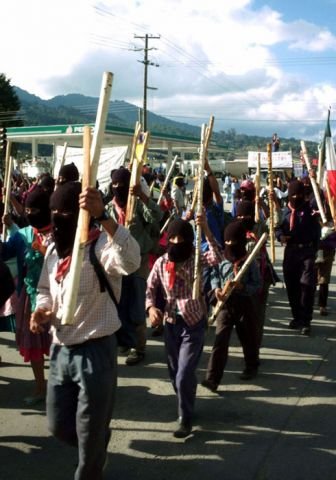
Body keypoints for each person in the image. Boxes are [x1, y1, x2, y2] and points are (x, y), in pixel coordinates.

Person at [30, 181, 141, 480]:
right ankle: (96, 445)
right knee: (58, 425)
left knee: (89, 442)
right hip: (60, 349)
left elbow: (131, 261)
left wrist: (104, 216)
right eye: (53, 211)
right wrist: (41, 310)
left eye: (64, 212)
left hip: (96, 350)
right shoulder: (54, 249)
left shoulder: (102, 246)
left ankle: (91, 463)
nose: (57, 217)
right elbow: (44, 288)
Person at [146, 216, 223, 438]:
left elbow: (218, 256)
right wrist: (151, 308)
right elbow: (150, 287)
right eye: (172, 238)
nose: (176, 242)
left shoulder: (196, 259)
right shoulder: (162, 263)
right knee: (174, 373)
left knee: (184, 372)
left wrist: (207, 229)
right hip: (171, 323)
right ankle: (186, 396)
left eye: (182, 239)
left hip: (193, 323)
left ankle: (185, 418)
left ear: (189, 241)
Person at [1, 185, 53, 404]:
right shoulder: (23, 235)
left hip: (58, 300)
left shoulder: (61, 233)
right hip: (29, 299)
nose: (30, 214)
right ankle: (41, 387)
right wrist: (8, 228)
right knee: (34, 346)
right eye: (28, 210)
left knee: (60, 346)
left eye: (35, 210)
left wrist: (46, 252)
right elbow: (5, 252)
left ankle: (64, 388)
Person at [107, 166, 163, 365]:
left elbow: (157, 216)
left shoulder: (137, 205)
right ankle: (124, 338)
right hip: (115, 262)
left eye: (121, 185)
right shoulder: (108, 210)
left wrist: (143, 197)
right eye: (114, 184)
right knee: (118, 303)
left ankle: (138, 347)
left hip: (138, 260)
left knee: (137, 305)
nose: (117, 188)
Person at [202, 222, 261, 393]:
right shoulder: (222, 259)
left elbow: (257, 284)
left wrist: (244, 288)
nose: (229, 246)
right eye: (226, 242)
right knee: (220, 341)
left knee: (248, 337)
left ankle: (252, 365)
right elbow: (214, 275)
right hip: (225, 305)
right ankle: (212, 378)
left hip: (244, 304)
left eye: (233, 243)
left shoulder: (250, 262)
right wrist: (217, 289)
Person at [275, 179, 321, 335]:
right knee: (292, 286)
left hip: (307, 252)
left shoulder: (310, 209)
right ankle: (297, 317)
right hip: (291, 253)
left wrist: (315, 251)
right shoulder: (285, 211)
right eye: (292, 195)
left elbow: (319, 200)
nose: (295, 198)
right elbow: (278, 229)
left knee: (307, 286)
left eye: (298, 195)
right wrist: (280, 237)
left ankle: (306, 320)